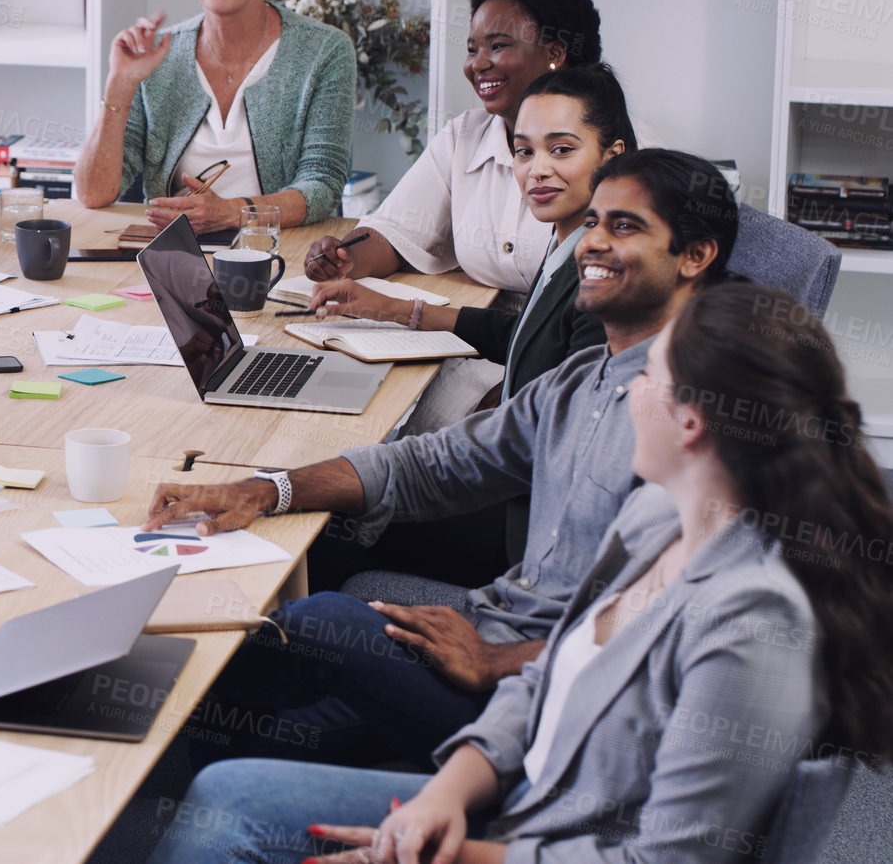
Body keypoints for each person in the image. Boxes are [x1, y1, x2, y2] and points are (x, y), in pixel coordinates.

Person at [149, 280, 893, 864]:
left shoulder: (753, 625)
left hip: (553, 839)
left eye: (647, 379)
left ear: (690, 423)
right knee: (226, 789)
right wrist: (448, 791)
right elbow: (545, 681)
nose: (624, 390)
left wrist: (455, 853)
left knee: (235, 809)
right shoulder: (652, 523)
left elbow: (664, 858)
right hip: (521, 800)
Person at [138, 149, 740, 774]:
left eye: (625, 227)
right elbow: (435, 465)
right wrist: (264, 490)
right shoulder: (582, 379)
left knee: (312, 625)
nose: (593, 244)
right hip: (489, 642)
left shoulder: (699, 421)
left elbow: (683, 628)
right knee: (250, 705)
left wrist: (500, 661)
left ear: (695, 256)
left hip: (551, 700)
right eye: (593, 223)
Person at [307, 64, 632, 400]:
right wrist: (389, 308)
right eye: (524, 151)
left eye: (562, 149)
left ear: (611, 156)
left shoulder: (603, 284)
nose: (538, 170)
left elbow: (562, 422)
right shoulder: (566, 243)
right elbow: (525, 335)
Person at [306, 0, 621, 290]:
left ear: (554, 52)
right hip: (479, 323)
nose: (478, 64)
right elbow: (396, 230)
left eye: (498, 46)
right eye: (473, 50)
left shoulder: (615, 143)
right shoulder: (466, 134)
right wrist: (343, 259)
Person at [75, 0, 354, 232]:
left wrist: (231, 212)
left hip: (279, 253)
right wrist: (120, 84)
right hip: (175, 257)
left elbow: (322, 187)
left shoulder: (324, 51)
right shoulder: (158, 55)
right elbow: (92, 193)